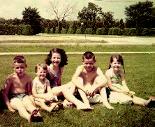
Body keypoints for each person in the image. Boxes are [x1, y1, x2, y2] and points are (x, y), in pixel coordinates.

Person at [2, 55, 43, 122]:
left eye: (22, 67)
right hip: (13, 97)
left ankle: (37, 115)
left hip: (24, 95)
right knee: (20, 106)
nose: (20, 69)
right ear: (13, 68)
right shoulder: (11, 78)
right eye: (17, 68)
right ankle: (28, 117)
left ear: (25, 66)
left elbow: (29, 92)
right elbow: (5, 93)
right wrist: (9, 106)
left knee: (28, 104)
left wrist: (32, 101)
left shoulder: (28, 78)